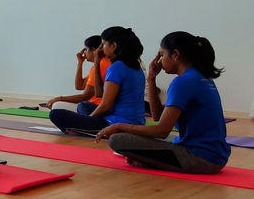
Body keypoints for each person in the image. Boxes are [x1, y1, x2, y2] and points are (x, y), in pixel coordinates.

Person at [96, 32, 229, 174]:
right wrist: (151, 79)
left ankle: (152, 162)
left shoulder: (183, 82)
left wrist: (118, 126)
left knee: (117, 140)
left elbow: (161, 131)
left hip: (200, 159)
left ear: (175, 54)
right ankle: (151, 161)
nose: (159, 61)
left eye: (162, 55)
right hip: (216, 158)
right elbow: (158, 116)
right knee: (132, 136)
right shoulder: (201, 78)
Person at [48, 26, 145, 135]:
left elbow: (105, 105)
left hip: (115, 125)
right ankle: (83, 129)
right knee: (84, 106)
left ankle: (85, 131)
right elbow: (99, 94)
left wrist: (88, 120)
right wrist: (96, 63)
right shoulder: (136, 68)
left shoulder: (116, 68)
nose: (101, 48)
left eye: (103, 44)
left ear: (113, 46)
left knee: (55, 114)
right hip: (134, 123)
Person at [45, 35, 112, 113]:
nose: (84, 53)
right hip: (95, 106)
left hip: (94, 107)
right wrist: (80, 63)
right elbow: (79, 86)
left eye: (86, 49)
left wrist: (58, 98)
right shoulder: (103, 64)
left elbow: (85, 96)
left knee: (56, 106)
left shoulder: (100, 65)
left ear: (94, 50)